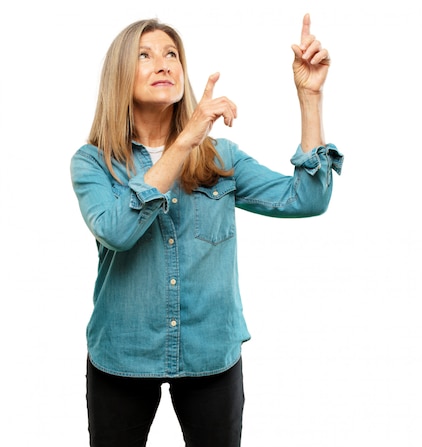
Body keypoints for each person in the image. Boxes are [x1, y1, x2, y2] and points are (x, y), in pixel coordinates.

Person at [70, 13, 342, 447]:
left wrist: (310, 98)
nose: (163, 64)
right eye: (145, 55)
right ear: (120, 75)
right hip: (122, 355)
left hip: (211, 354)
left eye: (171, 54)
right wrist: (185, 140)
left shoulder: (221, 156)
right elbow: (117, 231)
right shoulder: (93, 162)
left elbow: (307, 199)